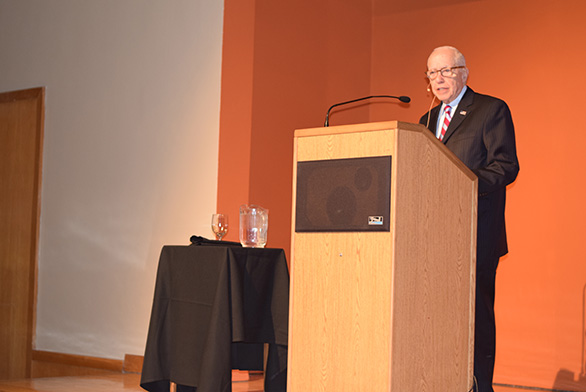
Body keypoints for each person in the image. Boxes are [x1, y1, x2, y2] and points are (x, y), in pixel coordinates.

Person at [419, 46, 519, 392]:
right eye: (432, 74)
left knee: (475, 317)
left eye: (446, 71)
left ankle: (479, 386)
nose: (439, 79)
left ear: (464, 72)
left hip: (476, 232)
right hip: (435, 235)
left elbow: (505, 166)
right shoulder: (425, 122)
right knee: (437, 313)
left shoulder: (491, 110)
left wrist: (462, 184)